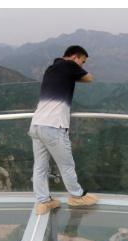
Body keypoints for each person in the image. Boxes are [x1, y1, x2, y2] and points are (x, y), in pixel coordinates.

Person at [29, 45, 99, 215]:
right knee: (66, 165)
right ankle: (77, 196)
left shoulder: (52, 68)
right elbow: (89, 78)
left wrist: (71, 78)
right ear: (75, 57)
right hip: (53, 126)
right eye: (82, 61)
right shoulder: (69, 66)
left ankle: (43, 202)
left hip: (36, 125)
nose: (81, 65)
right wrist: (75, 75)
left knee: (40, 167)